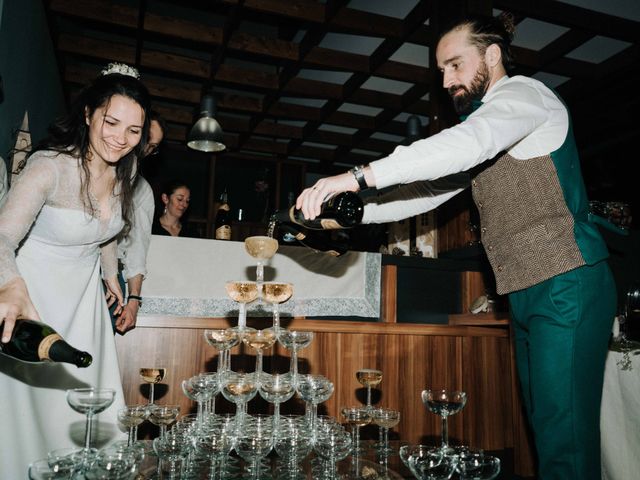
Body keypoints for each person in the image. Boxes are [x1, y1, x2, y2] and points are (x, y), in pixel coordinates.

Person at [296, 13, 615, 480]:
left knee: (563, 437)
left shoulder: (524, 96)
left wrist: (357, 175)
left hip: (567, 277)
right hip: (525, 290)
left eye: (454, 65)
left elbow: (467, 142)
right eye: (441, 71)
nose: (447, 81)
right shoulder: (491, 124)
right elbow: (426, 192)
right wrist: (352, 210)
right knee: (545, 427)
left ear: (492, 55)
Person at [0, 62, 150, 476]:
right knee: (32, 408)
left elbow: (104, 232)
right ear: (88, 115)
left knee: (87, 402)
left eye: (133, 131)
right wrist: (10, 287)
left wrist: (108, 275)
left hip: (84, 302)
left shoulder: (128, 172)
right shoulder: (48, 167)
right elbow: (1, 239)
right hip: (33, 295)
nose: (121, 139)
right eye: (112, 122)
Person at [110, 111, 166, 333]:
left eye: (152, 146)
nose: (145, 149)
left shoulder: (142, 190)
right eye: (144, 139)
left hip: (113, 278)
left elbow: (136, 247)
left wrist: (133, 299)